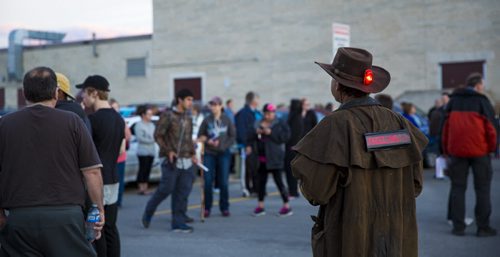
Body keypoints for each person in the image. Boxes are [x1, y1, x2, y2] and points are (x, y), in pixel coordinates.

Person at [292, 47, 428, 256]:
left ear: (337, 85)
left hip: (350, 240)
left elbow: (316, 191)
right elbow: (415, 186)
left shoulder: (335, 125)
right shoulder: (399, 122)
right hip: (396, 240)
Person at [0, 67, 105, 257]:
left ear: (24, 93)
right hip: (66, 218)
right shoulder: (72, 122)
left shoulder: (4, 125)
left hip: (19, 219)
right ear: (56, 92)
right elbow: (92, 172)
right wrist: (98, 210)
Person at [442, 72, 498, 237]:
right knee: (482, 189)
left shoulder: (452, 101)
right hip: (480, 152)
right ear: (478, 85)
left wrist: (445, 151)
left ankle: (458, 227)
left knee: (457, 188)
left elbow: (445, 129)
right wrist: (492, 149)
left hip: (457, 152)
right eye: (483, 84)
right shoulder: (482, 101)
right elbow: (492, 128)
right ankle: (483, 227)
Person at [78, 75, 125, 257]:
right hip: (113, 178)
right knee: (111, 228)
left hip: (97, 182)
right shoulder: (119, 119)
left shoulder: (93, 120)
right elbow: (121, 150)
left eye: (85, 92)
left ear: (94, 93)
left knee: (98, 231)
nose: (82, 96)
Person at [142, 89, 198, 233]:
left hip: (186, 160)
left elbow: (188, 139)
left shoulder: (188, 117)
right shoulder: (168, 115)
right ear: (180, 100)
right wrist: (168, 151)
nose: (191, 103)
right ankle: (149, 211)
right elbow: (158, 135)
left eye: (192, 100)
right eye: (189, 99)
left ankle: (178, 223)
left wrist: (193, 154)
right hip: (170, 160)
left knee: (182, 192)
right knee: (166, 189)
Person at [250, 103, 292, 216]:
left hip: (275, 158)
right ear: (264, 113)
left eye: (271, 113)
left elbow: (285, 137)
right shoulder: (258, 123)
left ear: (274, 113)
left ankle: (287, 205)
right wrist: (256, 132)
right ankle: (260, 206)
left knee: (279, 182)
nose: (269, 116)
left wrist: (271, 133)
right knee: (261, 183)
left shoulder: (280, 123)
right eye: (267, 113)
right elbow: (250, 136)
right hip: (261, 158)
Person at [198, 96, 236, 217]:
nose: (213, 107)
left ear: (220, 106)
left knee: (223, 182)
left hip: (223, 153)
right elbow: (200, 135)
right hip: (209, 153)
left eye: (215, 105)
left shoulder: (227, 119)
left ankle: (224, 207)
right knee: (208, 181)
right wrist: (208, 140)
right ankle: (207, 207)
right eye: (211, 105)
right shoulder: (206, 120)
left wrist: (224, 145)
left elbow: (232, 136)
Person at [235, 91, 262, 195]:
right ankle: (246, 189)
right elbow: (241, 131)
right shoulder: (243, 113)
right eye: (257, 99)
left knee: (255, 167)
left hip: (256, 144)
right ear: (253, 100)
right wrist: (246, 145)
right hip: (246, 145)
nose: (259, 101)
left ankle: (256, 188)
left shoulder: (256, 112)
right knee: (246, 169)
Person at [109, 98, 132, 207]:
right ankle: (114, 201)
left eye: (117, 108)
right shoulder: (118, 121)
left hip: (120, 157)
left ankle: (118, 201)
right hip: (110, 157)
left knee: (119, 180)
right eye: (113, 107)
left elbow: (128, 136)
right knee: (113, 180)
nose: (115, 110)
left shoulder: (121, 121)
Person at [134, 105, 156, 195]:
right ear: (143, 115)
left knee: (148, 169)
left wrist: (152, 139)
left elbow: (155, 135)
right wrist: (152, 140)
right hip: (143, 152)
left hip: (151, 151)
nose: (150, 116)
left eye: (151, 114)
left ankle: (145, 187)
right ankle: (141, 187)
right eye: (148, 114)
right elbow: (140, 138)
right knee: (142, 169)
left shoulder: (152, 125)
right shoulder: (139, 125)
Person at [285, 99, 303, 199]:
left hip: (291, 147)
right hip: (295, 147)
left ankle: (293, 191)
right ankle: (293, 190)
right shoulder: (298, 117)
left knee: (290, 170)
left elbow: (293, 134)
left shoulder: (294, 118)